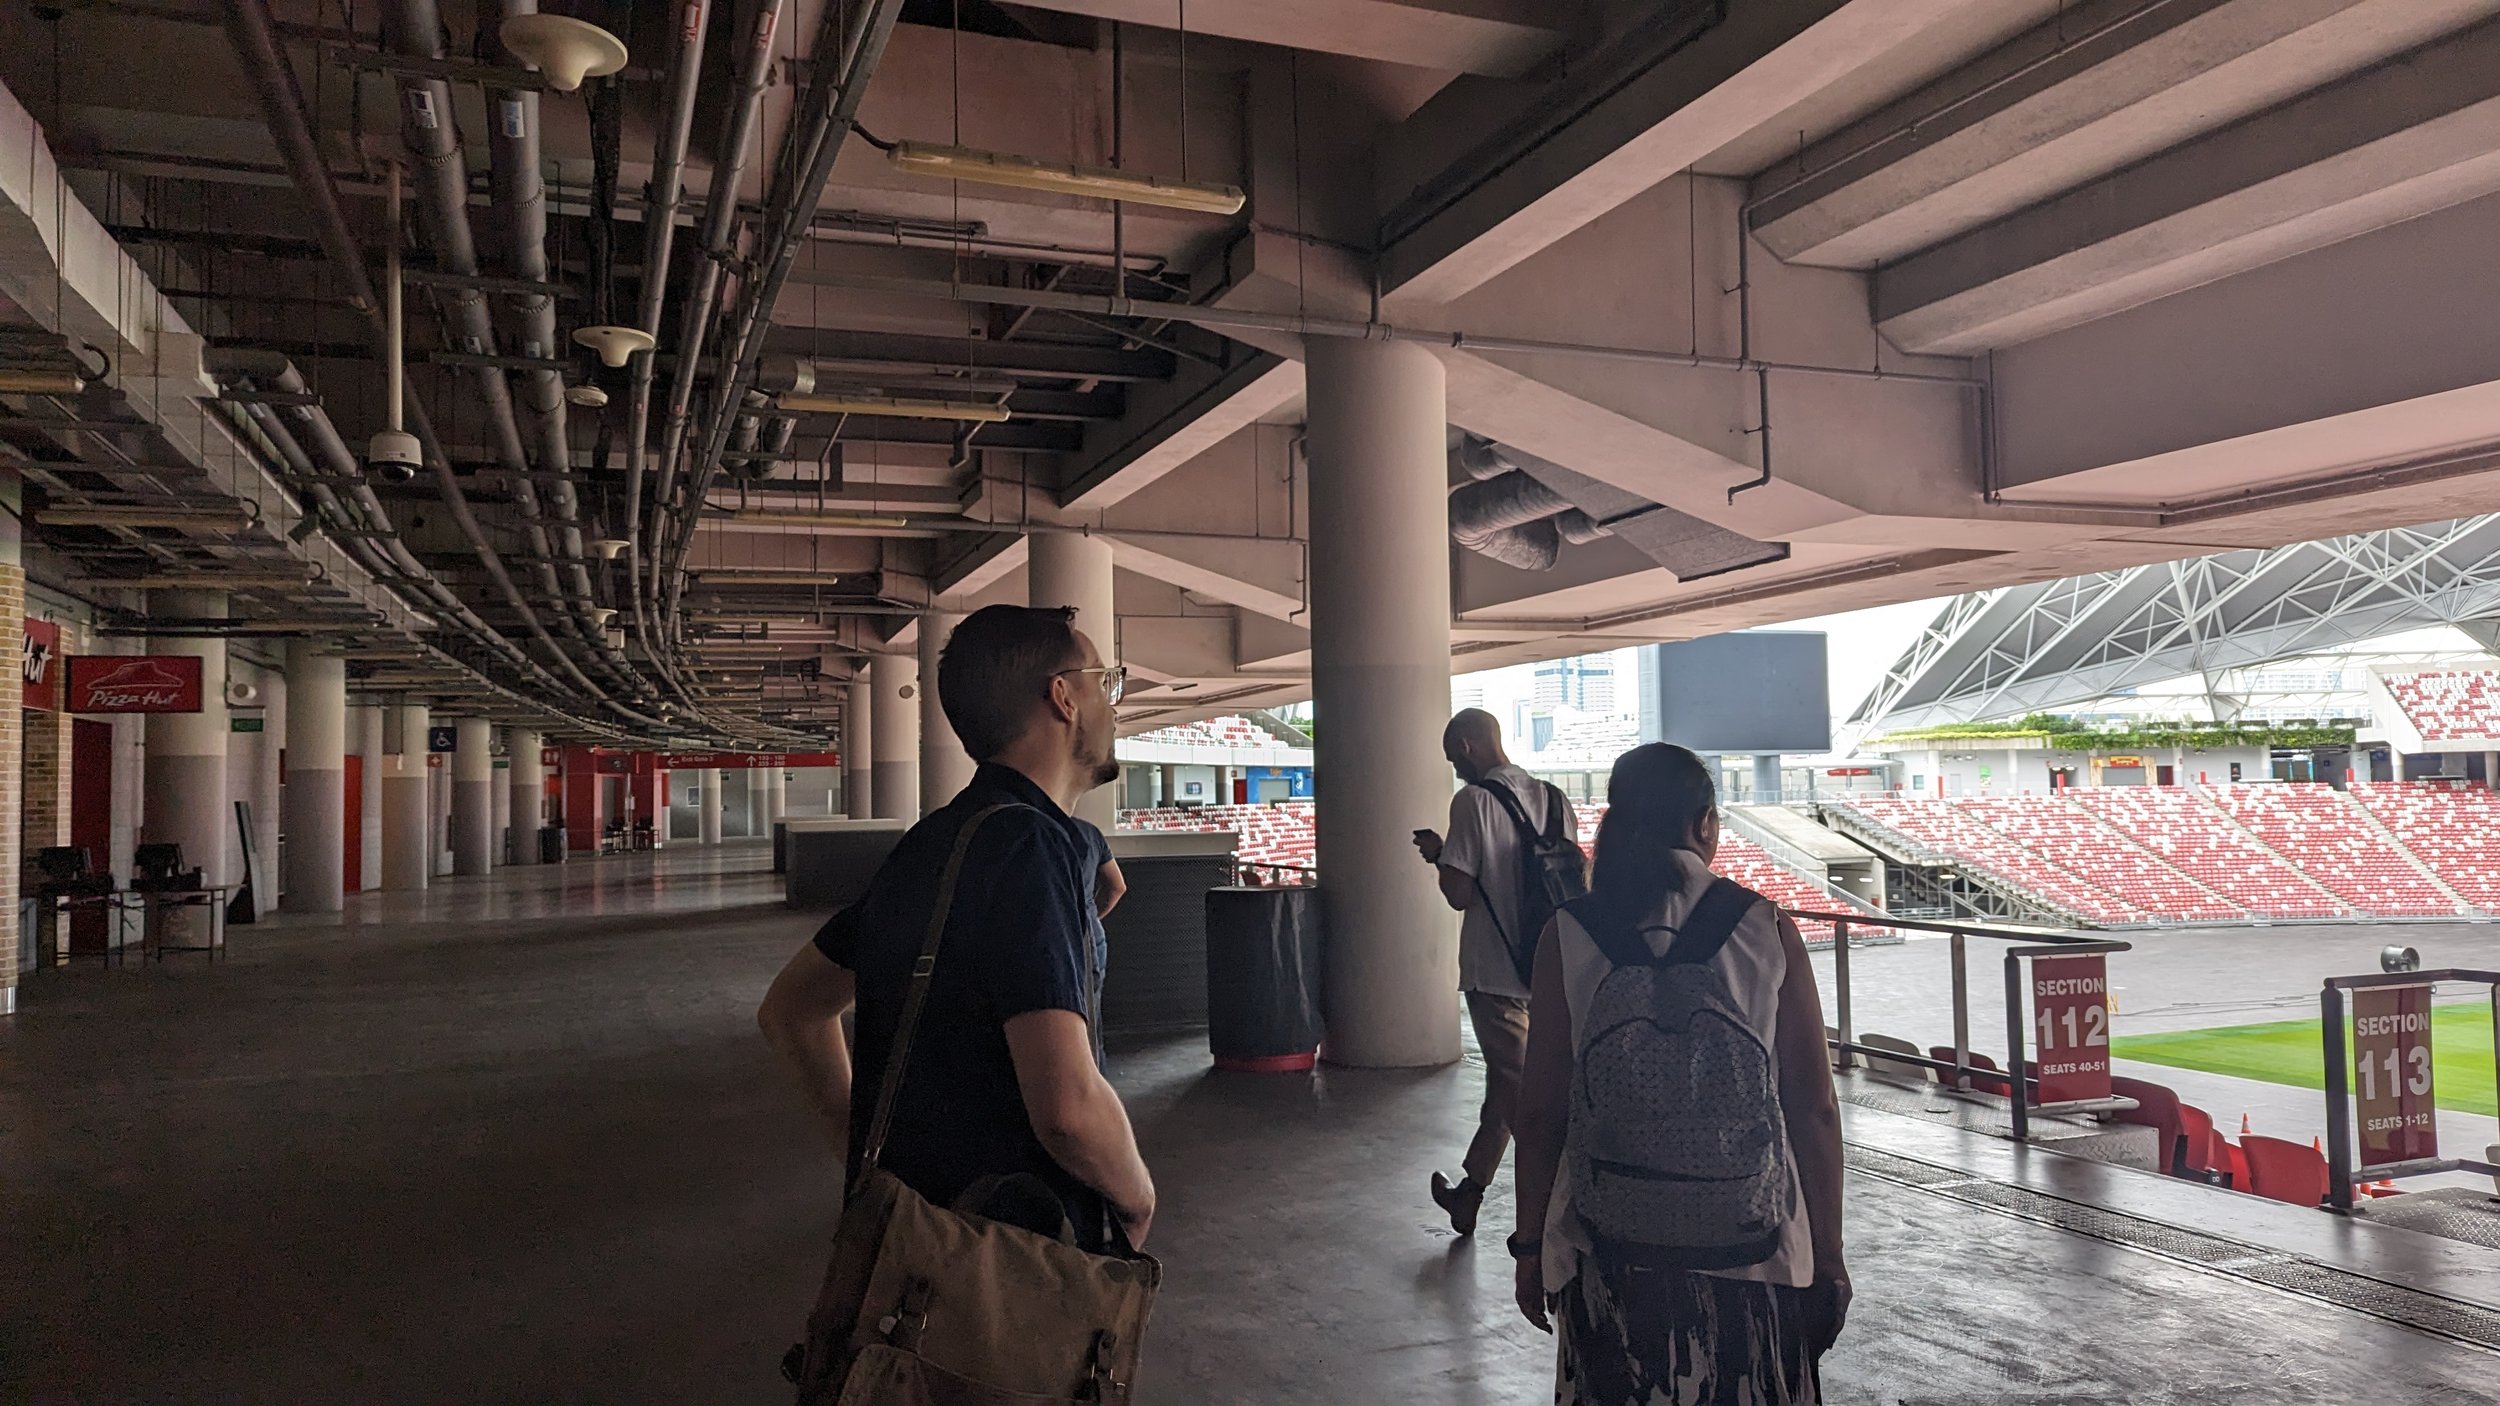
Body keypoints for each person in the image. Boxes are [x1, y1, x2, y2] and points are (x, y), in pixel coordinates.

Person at [756, 605, 1155, 1252]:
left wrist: (867, 1154)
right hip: (1015, 1260)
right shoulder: (1029, 849)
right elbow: (1067, 1111)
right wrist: (1137, 1198)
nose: (1113, 704)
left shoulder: (935, 843)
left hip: (919, 1243)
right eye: (1103, 682)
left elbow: (791, 1009)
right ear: (1063, 698)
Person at [1509, 743, 1847, 1405]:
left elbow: (1541, 1111)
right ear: (1705, 826)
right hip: (1757, 1253)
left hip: (1609, 1253)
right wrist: (1828, 1255)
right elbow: (1813, 1109)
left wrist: (1529, 1247)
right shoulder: (1765, 925)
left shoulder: (1569, 932)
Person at [1411, 708, 1578, 1236]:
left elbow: (1459, 893)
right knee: (1506, 1089)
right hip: (1550, 969)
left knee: (1525, 1097)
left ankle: (1556, 1210)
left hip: (1495, 975)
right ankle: (1470, 1192)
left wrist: (1441, 856)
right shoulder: (1554, 798)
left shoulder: (1473, 801)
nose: (1454, 768)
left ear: (1466, 745)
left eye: (1451, 757)